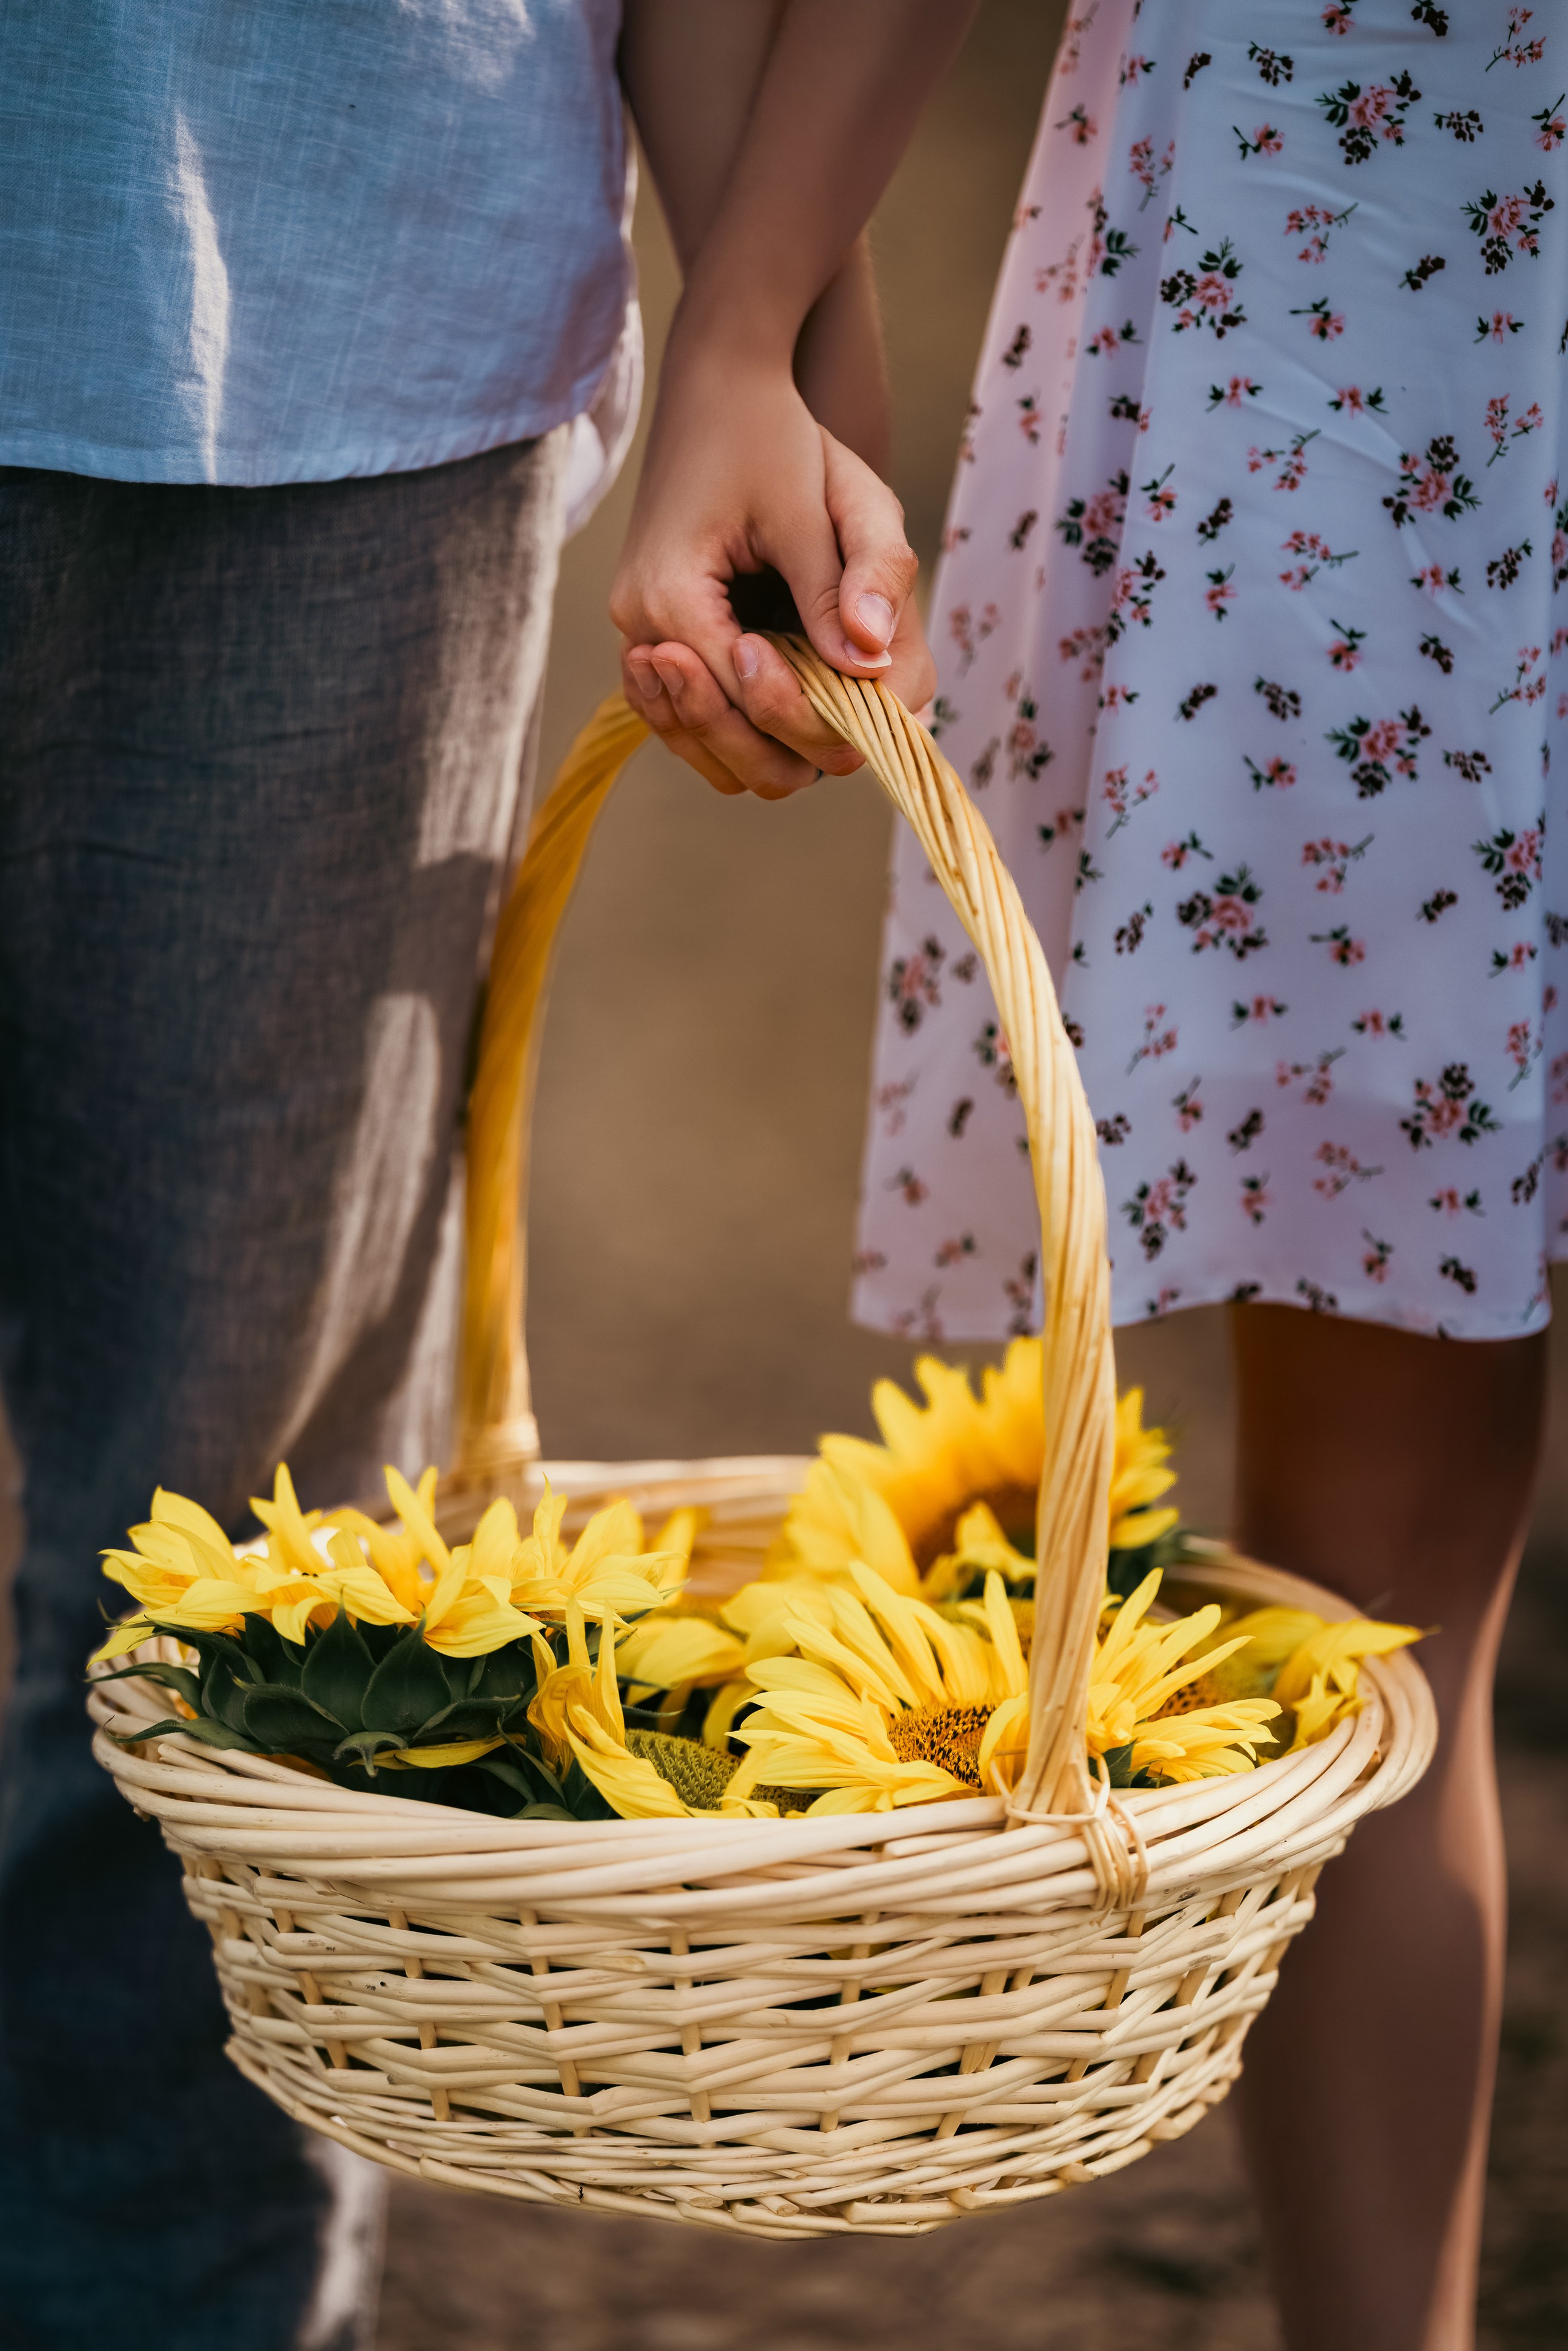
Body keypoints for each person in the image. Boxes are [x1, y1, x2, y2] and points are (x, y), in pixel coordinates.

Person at [0, 6, 960, 2344]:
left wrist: (781, 330)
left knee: (229, 1551)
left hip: (343, 338)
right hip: (346, 331)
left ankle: (166, 2287)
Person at [843, 9, 1556, 2349]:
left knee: (1383, 1613)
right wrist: (764, 328)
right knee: (1378, 1612)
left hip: (1353, 352)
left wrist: (764, 315)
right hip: (1356, 368)